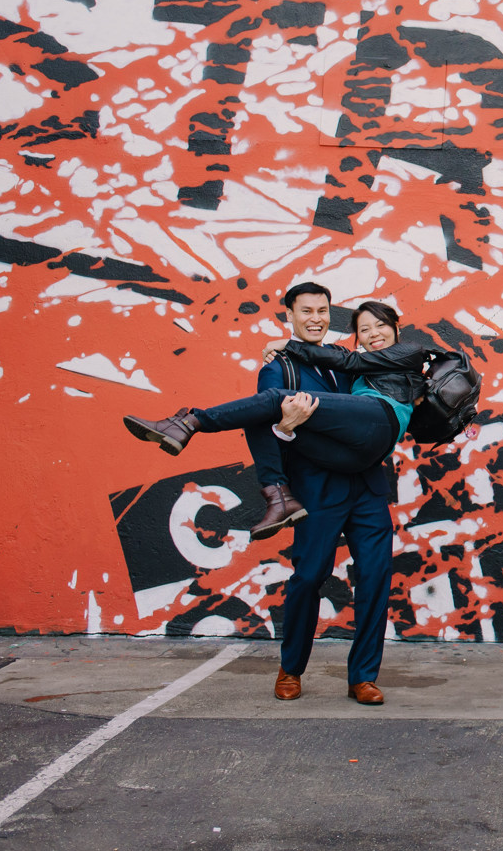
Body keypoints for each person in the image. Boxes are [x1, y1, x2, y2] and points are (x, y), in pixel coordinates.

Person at [122, 286, 419, 706]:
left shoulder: (349, 361)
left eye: (322, 311)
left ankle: (363, 677)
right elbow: (261, 426)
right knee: (308, 579)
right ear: (290, 315)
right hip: (318, 491)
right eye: (306, 311)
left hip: (368, 487)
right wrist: (285, 429)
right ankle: (291, 668)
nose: (316, 318)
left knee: (375, 580)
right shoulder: (277, 367)